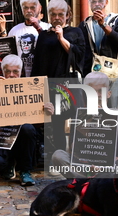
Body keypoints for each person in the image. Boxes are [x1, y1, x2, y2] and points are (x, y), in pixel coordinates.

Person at [52, 71, 118, 178]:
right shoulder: (78, 117)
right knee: (58, 155)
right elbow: (74, 150)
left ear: (109, 94)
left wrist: (107, 164)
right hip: (85, 167)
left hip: (109, 167)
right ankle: (89, 181)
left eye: (101, 91)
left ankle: (102, 179)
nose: (96, 95)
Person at [0, 54, 53, 185]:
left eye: (15, 71)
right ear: (3, 72)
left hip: (23, 137)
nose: (11, 75)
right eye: (8, 71)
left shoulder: (31, 89)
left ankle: (25, 171)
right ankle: (9, 164)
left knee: (27, 128)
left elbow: (37, 125)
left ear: (21, 72)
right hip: (3, 136)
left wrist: (47, 113)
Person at [31, 0, 85, 151]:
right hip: (52, 85)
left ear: (67, 15)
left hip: (71, 83)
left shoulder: (76, 32)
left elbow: (80, 55)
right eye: (53, 14)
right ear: (49, 16)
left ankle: (76, 154)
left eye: (60, 14)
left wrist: (61, 38)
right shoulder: (43, 36)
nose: (57, 18)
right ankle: (59, 156)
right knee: (56, 121)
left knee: (76, 118)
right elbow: (38, 64)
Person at [79, 0, 118, 109]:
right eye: (93, 1)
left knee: (111, 108)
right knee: (91, 109)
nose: (96, 4)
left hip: (109, 73)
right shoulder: (85, 24)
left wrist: (104, 25)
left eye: (100, 1)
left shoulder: (117, 20)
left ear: (106, 2)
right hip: (90, 73)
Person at [8, 0, 50, 77]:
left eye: (32, 7)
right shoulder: (14, 30)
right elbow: (10, 56)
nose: (29, 10)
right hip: (21, 77)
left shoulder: (48, 28)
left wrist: (38, 27)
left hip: (42, 76)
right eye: (26, 7)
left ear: (40, 8)